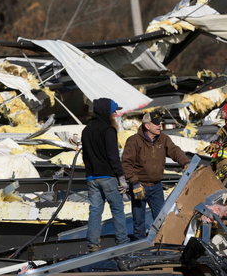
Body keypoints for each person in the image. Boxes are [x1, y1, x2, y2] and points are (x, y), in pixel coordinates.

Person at [122, 113, 190, 240]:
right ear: (147, 126)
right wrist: (134, 182)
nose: (160, 125)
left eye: (160, 122)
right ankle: (140, 247)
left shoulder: (163, 139)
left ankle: (161, 243)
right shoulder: (134, 141)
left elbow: (175, 151)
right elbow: (126, 164)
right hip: (139, 185)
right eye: (156, 123)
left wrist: (186, 162)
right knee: (138, 222)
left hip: (156, 186)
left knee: (162, 219)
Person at [81, 97, 130, 252]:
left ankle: (93, 244)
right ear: (106, 111)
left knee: (95, 211)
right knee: (117, 209)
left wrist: (90, 173)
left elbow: (85, 156)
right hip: (108, 177)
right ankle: (122, 243)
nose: (116, 114)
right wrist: (122, 178)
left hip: (91, 178)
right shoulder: (109, 130)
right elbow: (113, 157)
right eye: (114, 111)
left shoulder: (86, 130)